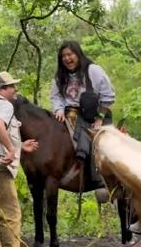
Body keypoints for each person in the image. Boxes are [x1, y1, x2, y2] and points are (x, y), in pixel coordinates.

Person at [0, 71, 38, 247]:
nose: (15, 89)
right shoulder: (4, 105)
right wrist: (11, 149)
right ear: (1, 89)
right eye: (12, 86)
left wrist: (19, 145)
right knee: (11, 216)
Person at [50, 40, 115, 186]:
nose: (67, 58)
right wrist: (58, 109)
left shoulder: (93, 70)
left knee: (100, 144)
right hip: (69, 114)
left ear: (78, 54)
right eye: (63, 56)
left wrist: (99, 118)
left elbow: (108, 95)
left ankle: (102, 180)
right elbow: (55, 96)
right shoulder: (60, 76)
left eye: (70, 54)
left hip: (94, 114)